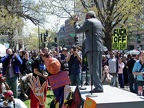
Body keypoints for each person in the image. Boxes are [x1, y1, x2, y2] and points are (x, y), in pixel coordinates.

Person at [74, 11, 104, 93]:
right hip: (99, 47)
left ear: (88, 16)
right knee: (98, 68)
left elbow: (78, 30)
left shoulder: (88, 21)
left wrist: (76, 22)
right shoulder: (99, 22)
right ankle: (99, 85)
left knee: (93, 69)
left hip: (92, 48)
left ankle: (98, 87)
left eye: (85, 16)